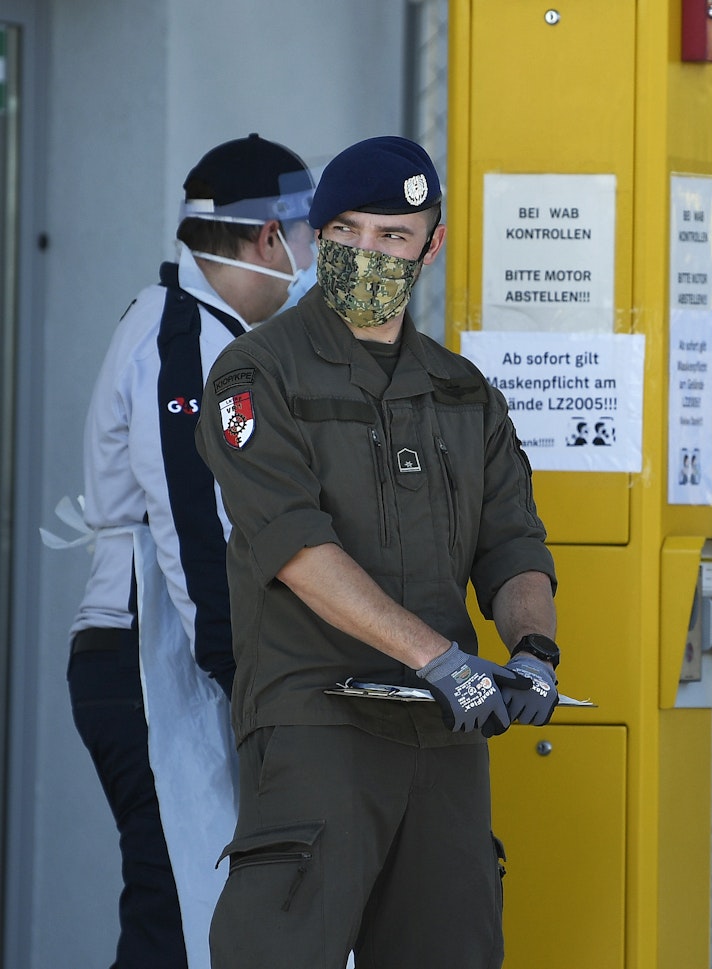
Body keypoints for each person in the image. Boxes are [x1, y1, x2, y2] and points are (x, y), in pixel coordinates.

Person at [194, 135, 561, 969]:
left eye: (392, 236)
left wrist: (533, 648)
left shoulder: (464, 393)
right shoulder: (257, 374)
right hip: (317, 724)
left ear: (430, 245)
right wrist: (439, 656)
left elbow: (513, 544)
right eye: (348, 231)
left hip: (445, 734)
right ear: (315, 235)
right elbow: (295, 548)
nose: (368, 253)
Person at [66, 133, 316, 969]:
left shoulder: (206, 332)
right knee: (178, 920)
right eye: (308, 233)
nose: (314, 253)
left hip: (181, 663)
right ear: (266, 237)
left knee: (201, 911)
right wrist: (254, 689)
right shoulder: (186, 345)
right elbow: (195, 530)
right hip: (154, 665)